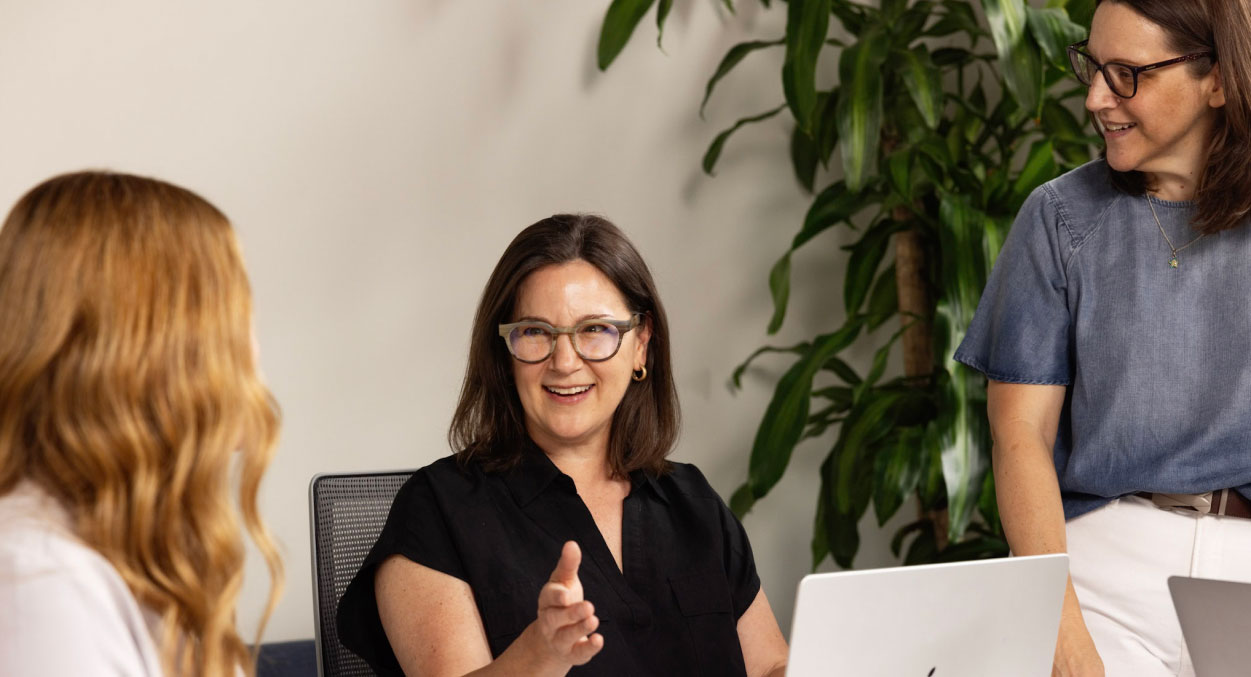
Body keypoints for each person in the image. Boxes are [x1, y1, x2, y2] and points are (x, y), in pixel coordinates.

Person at [337, 214, 788, 676]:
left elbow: (772, 665)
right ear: (505, 354)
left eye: (595, 330)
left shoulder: (693, 503)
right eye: (535, 332)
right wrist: (542, 654)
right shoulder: (436, 510)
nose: (565, 361)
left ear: (641, 345)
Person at [954, 1, 1251, 675]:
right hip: (1101, 569)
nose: (1093, 98)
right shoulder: (1059, 219)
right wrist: (1062, 637)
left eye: (1125, 74)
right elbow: (1017, 436)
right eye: (1092, 67)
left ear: (1218, 80)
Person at [0, 171, 284, 676]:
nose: (256, 352)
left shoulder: (130, 556)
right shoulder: (38, 581)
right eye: (237, 319)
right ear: (160, 349)